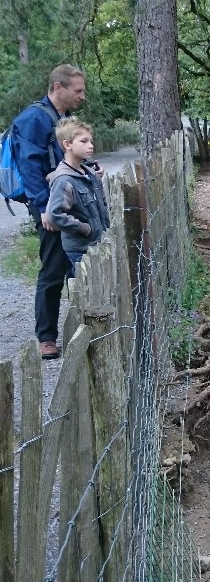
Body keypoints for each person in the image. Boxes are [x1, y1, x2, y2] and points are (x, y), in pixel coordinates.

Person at [10, 64, 102, 360]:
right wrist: (43, 209)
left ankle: (82, 328)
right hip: (50, 208)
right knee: (53, 268)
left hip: (68, 203)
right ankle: (46, 337)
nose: (82, 96)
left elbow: (64, 157)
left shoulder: (62, 119)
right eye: (78, 90)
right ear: (57, 87)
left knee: (77, 263)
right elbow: (30, 166)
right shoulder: (33, 119)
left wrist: (88, 168)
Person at [45, 118, 110, 274]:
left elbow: (102, 203)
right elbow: (55, 215)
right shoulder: (64, 180)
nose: (91, 146)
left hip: (99, 244)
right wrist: (85, 229)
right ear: (67, 145)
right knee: (86, 292)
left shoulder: (90, 174)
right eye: (84, 141)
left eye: (91, 141)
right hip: (81, 250)